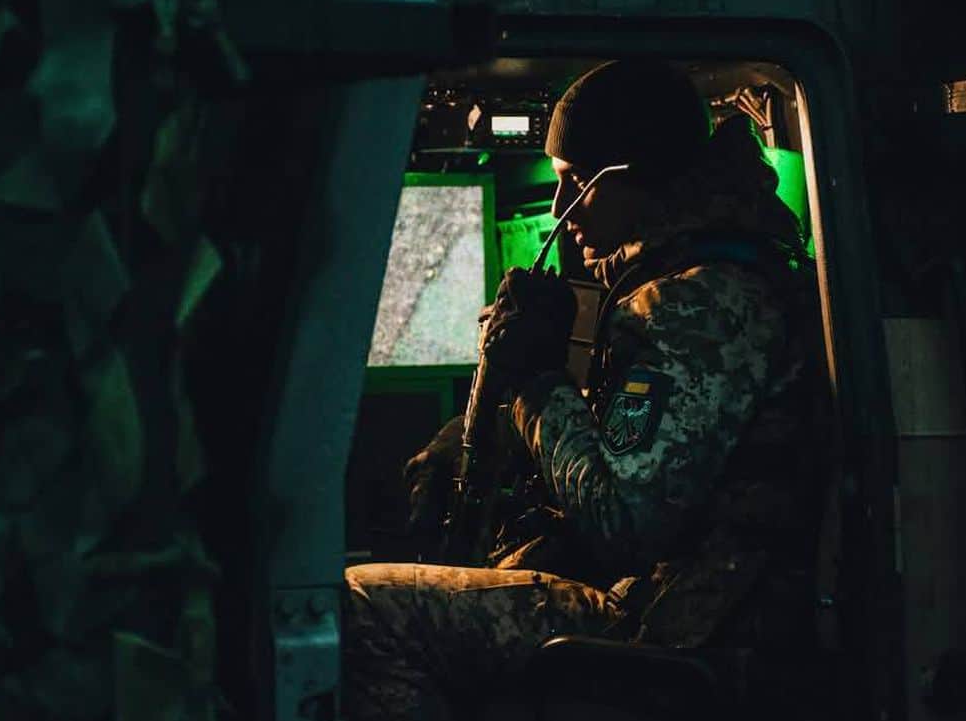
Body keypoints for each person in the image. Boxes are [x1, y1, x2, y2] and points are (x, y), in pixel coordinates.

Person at [344, 59, 825, 719]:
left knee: (366, 607)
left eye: (574, 181)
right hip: (667, 604)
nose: (557, 208)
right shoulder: (678, 282)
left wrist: (537, 385)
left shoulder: (703, 304)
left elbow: (622, 522)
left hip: (681, 630)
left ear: (631, 175)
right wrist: (479, 430)